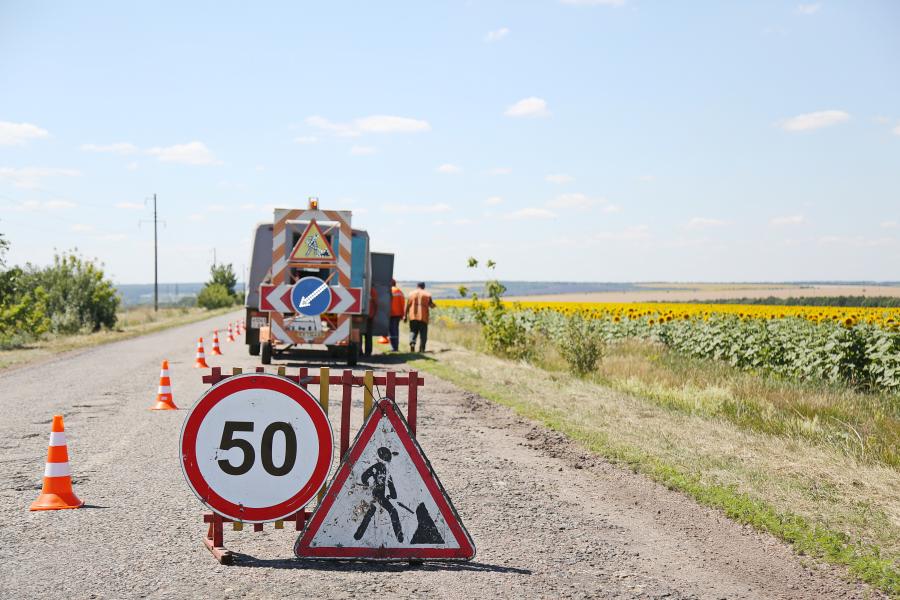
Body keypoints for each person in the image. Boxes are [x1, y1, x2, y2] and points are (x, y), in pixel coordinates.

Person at [353, 446, 403, 543]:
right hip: (377, 495)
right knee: (392, 511)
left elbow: (390, 484)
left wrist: (392, 495)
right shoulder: (378, 467)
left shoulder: (384, 468)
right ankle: (399, 536)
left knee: (372, 512)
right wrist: (366, 483)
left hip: (380, 495)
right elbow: (365, 476)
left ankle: (358, 535)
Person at [404, 282, 435, 353]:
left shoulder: (411, 294)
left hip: (413, 317)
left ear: (417, 286)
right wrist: (434, 305)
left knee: (413, 331)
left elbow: (407, 306)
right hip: (423, 317)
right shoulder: (427, 294)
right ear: (424, 286)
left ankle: (412, 343)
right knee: (423, 334)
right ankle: (422, 349)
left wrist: (405, 316)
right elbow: (431, 305)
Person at [389, 279, 405, 352]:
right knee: (395, 330)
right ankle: (396, 346)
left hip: (390, 314)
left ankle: (394, 347)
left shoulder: (389, 291)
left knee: (392, 331)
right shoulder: (400, 291)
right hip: (398, 314)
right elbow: (403, 304)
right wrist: (403, 314)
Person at [363, 285, 378, 356]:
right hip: (370, 315)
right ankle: (368, 352)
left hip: (360, 315)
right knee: (368, 335)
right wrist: (374, 313)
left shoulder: (360, 288)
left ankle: (359, 350)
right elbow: (375, 303)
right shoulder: (372, 290)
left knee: (358, 334)